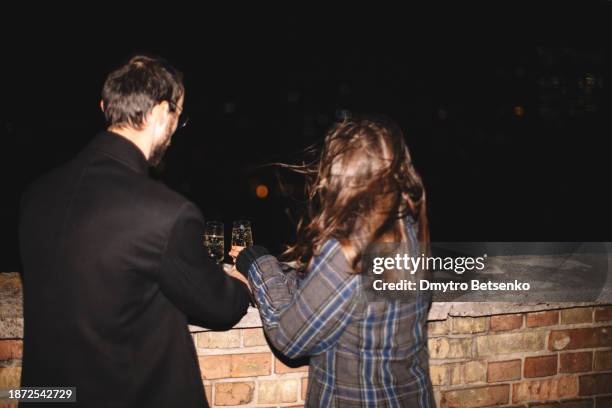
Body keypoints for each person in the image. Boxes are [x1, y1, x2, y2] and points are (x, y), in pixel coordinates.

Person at [18, 55, 251, 408]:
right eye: (177, 116)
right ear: (160, 113)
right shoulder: (165, 213)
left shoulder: (36, 195)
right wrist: (243, 285)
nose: (174, 130)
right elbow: (218, 305)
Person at [233, 116, 434, 407]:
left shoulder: (348, 251)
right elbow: (338, 299)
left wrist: (258, 262)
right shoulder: (411, 232)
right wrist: (288, 273)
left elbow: (289, 337)